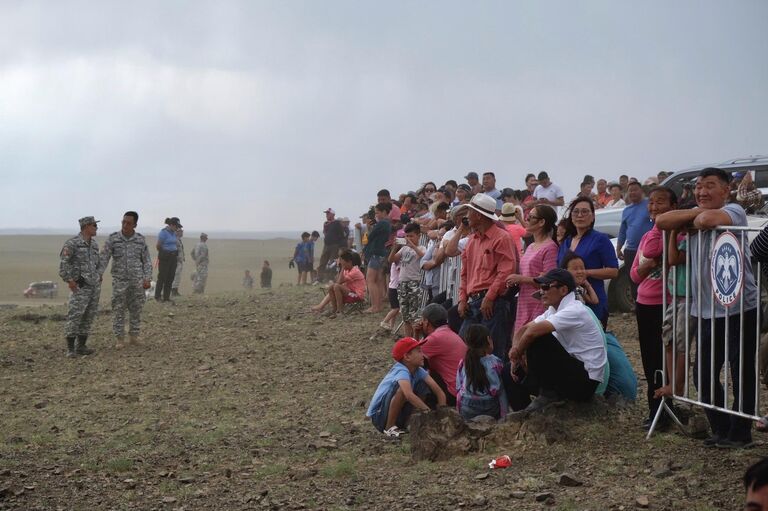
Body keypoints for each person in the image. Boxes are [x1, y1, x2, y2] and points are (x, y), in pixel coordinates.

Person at [656, 167, 758, 449]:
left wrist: (691, 218)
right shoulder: (696, 213)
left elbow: (708, 218)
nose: (702, 191)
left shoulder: (735, 210)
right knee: (703, 373)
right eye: (699, 186)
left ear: (726, 190)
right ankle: (721, 427)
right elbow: (663, 220)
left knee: (741, 370)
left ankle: (741, 432)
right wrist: (692, 217)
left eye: (710, 185)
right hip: (704, 309)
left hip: (739, 306)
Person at [504, 269, 608, 413]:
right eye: (541, 288)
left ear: (563, 290)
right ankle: (525, 414)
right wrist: (515, 354)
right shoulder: (554, 310)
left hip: (586, 382)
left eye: (546, 287)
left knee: (538, 338)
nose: (542, 292)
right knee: (508, 371)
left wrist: (517, 352)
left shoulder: (575, 310)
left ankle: (548, 394)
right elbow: (523, 329)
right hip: (570, 373)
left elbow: (531, 333)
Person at [629, 186, 677, 430]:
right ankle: (654, 409)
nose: (654, 207)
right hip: (643, 304)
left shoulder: (676, 234)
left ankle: (666, 409)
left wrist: (661, 227)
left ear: (673, 207)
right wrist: (650, 265)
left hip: (665, 304)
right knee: (649, 359)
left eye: (661, 203)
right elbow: (635, 274)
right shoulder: (648, 234)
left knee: (664, 358)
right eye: (652, 203)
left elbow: (653, 253)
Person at [458, 193, 517, 361]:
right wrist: (463, 299)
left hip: (493, 302)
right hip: (479, 301)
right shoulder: (472, 240)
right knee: (470, 348)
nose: (467, 216)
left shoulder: (501, 237)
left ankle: (491, 385)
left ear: (478, 215)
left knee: (492, 353)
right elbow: (465, 273)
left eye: (469, 212)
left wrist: (490, 296)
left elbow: (505, 271)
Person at [366, 337, 447, 436]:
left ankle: (410, 423)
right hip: (380, 417)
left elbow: (439, 392)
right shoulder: (401, 370)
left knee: (423, 385)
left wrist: (443, 414)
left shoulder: (419, 370)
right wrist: (429, 413)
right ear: (407, 357)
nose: (423, 355)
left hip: (399, 415)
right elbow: (408, 395)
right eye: (419, 351)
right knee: (402, 390)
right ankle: (389, 427)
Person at [557, 197, 619, 327]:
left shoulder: (600, 239)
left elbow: (613, 271)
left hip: (593, 300)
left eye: (585, 212)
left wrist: (585, 273)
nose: (580, 215)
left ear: (592, 217)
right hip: (567, 301)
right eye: (576, 212)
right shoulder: (566, 241)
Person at [100, 211, 152, 349]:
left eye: (128, 223)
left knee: (136, 309)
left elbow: (146, 260)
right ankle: (120, 339)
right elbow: (104, 257)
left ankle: (134, 337)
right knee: (118, 309)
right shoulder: (113, 239)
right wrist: (99, 273)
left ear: (135, 224)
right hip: (120, 281)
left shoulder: (140, 240)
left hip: (137, 281)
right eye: (123, 222)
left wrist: (147, 278)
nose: (125, 225)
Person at [506, 205, 559, 332]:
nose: (527, 219)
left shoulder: (550, 248)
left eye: (531, 217)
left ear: (542, 222)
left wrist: (521, 279)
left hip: (539, 304)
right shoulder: (531, 247)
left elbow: (548, 280)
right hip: (524, 302)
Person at [59, 216, 104, 358]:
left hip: (94, 286)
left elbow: (97, 264)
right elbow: (63, 264)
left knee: (89, 316)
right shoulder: (72, 244)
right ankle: (70, 348)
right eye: (94, 226)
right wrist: (70, 280)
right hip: (80, 286)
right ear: (86, 227)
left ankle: (82, 346)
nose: (96, 228)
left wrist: (98, 275)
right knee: (75, 315)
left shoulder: (95, 245)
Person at [418, 303, 467, 407]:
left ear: (426, 322)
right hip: (463, 390)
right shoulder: (447, 332)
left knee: (416, 374)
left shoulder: (435, 338)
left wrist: (415, 333)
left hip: (454, 393)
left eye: (422, 320)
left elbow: (409, 358)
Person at [455, 324, 508, 420]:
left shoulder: (463, 362)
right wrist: (504, 415)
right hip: (490, 408)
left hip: (467, 407)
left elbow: (458, 389)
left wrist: (459, 412)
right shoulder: (496, 362)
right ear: (488, 340)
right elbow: (501, 391)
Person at [617, 181, 652, 303]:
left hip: (647, 250)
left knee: (648, 279)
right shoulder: (626, 210)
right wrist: (618, 248)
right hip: (630, 251)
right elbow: (622, 230)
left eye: (635, 189)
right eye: (630, 190)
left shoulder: (649, 204)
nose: (632, 193)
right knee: (633, 279)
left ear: (641, 191)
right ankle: (637, 304)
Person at [390, 222, 425, 337]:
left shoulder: (421, 247)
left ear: (418, 235)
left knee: (414, 314)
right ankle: (407, 339)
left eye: (412, 236)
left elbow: (421, 255)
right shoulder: (403, 249)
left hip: (414, 283)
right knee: (405, 314)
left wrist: (412, 245)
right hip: (402, 283)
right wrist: (394, 247)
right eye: (407, 236)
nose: (409, 238)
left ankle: (415, 338)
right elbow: (391, 260)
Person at [362, 203, 391, 313]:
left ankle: (375, 306)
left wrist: (369, 228)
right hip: (380, 253)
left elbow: (370, 236)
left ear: (384, 212)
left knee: (370, 279)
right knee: (378, 280)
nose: (376, 215)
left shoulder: (382, 223)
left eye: (377, 212)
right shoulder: (386, 224)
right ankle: (378, 305)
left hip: (376, 253)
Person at [155, 217, 181, 302]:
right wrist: (165, 253)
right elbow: (158, 246)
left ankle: (166, 297)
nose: (178, 228)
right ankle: (157, 296)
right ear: (172, 225)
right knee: (162, 277)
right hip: (165, 258)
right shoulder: (163, 233)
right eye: (176, 226)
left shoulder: (173, 233)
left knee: (170, 277)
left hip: (173, 258)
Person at [318, 208, 346, 283]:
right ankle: (320, 277)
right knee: (322, 261)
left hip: (335, 245)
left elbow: (341, 235)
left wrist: (341, 247)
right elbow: (325, 232)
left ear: (333, 214)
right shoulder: (326, 223)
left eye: (328, 213)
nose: (327, 215)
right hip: (326, 245)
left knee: (332, 262)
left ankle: (330, 278)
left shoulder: (337, 223)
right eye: (326, 213)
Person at [171, 228, 185, 296]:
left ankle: (175, 290)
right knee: (176, 276)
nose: (182, 233)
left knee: (178, 276)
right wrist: (177, 259)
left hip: (179, 261)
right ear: (177, 232)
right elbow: (173, 251)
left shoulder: (178, 239)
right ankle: (173, 291)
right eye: (181, 231)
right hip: (176, 262)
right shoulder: (175, 240)